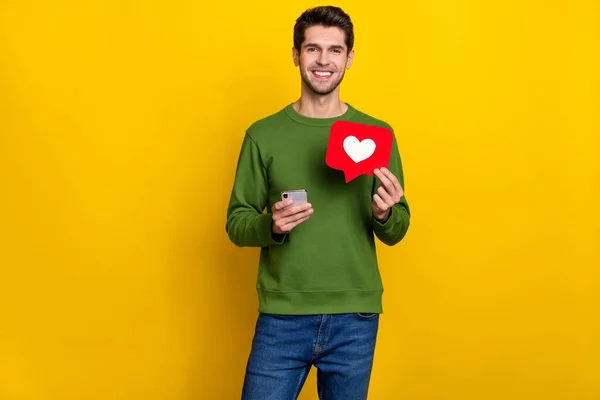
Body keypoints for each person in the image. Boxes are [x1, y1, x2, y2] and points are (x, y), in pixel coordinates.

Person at [225, 5, 411, 400]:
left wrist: (385, 213)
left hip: (355, 317)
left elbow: (397, 229)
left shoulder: (378, 134)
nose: (323, 60)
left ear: (349, 58)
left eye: (335, 50)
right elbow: (237, 222)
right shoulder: (263, 135)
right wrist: (270, 225)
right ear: (296, 55)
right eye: (312, 49)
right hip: (282, 316)